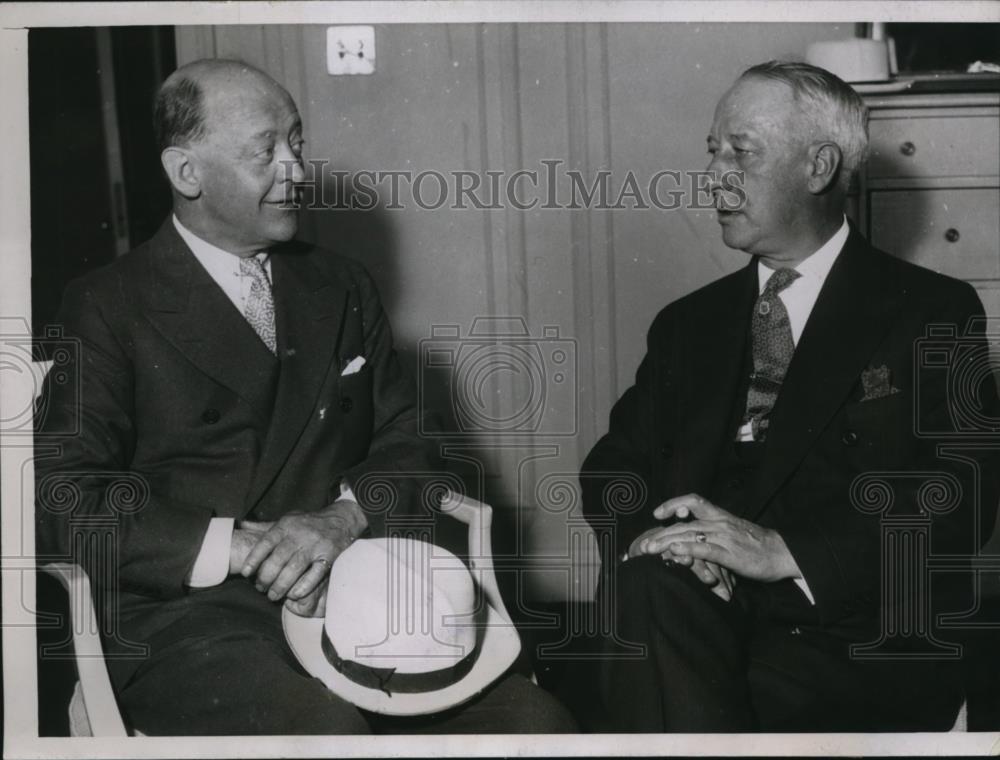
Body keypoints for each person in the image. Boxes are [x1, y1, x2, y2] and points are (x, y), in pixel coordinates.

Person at [35, 58, 573, 736]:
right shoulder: (109, 304)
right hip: (188, 620)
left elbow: (409, 445)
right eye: (268, 151)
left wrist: (343, 519)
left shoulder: (342, 285)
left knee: (534, 722)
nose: (295, 169)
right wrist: (234, 546)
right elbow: (59, 495)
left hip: (358, 593)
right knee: (325, 734)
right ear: (186, 172)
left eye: (298, 143)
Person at [581, 60, 1000, 732]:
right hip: (693, 610)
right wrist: (659, 544)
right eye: (713, 151)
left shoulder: (929, 312)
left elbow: (962, 494)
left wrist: (781, 552)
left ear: (819, 167)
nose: (715, 173)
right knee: (645, 595)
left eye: (740, 152)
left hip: (846, 635)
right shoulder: (687, 325)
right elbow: (614, 466)